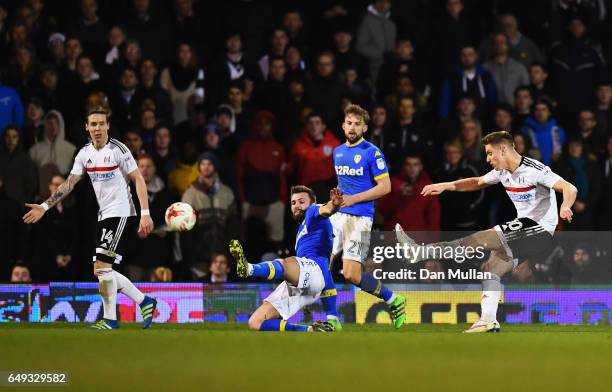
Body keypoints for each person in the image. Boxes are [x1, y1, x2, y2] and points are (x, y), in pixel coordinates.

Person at [396, 131, 577, 333]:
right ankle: (488, 320)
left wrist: (565, 206)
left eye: (490, 153)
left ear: (503, 149)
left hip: (538, 229)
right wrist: (445, 186)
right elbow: (478, 182)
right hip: (526, 231)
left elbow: (570, 188)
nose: (488, 159)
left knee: (477, 239)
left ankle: (420, 252)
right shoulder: (502, 172)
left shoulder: (534, 169)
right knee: (491, 269)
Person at [22, 107, 158, 330]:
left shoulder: (118, 150)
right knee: (102, 270)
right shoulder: (84, 153)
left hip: (121, 211)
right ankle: (144, 302)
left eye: (101, 124)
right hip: (104, 214)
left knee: (102, 267)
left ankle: (111, 319)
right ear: (87, 127)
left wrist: (145, 214)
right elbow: (69, 183)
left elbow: (138, 179)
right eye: (93, 124)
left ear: (108, 126)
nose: (97, 128)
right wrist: (45, 206)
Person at [330, 104, 406, 329]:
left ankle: (394, 299)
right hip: (338, 216)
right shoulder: (338, 152)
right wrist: (336, 200)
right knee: (320, 264)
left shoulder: (372, 152)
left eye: (357, 124)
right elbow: (344, 184)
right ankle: (331, 318)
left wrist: (354, 199)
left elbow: (385, 187)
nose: (352, 127)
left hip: (361, 219)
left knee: (351, 275)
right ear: (343, 126)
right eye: (349, 123)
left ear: (364, 127)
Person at [228, 186, 343, 332]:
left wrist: (334, 205)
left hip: (313, 270)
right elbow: (327, 275)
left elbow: (327, 209)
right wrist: (333, 318)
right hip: (306, 279)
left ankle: (249, 269)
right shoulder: (302, 231)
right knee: (255, 322)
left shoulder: (313, 211)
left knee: (285, 263)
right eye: (293, 203)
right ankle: (311, 330)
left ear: (313, 202)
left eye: (302, 201)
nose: (297, 206)